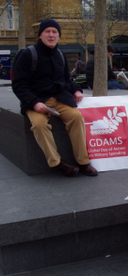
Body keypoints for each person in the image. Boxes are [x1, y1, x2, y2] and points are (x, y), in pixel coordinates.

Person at [12, 19, 98, 177]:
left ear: (59, 36)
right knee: (38, 125)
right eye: (47, 32)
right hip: (36, 100)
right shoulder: (27, 54)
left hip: (59, 98)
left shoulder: (60, 55)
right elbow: (18, 84)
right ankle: (58, 162)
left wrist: (76, 90)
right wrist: (34, 103)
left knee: (76, 117)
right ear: (40, 35)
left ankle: (83, 161)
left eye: (54, 32)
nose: (51, 35)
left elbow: (66, 80)